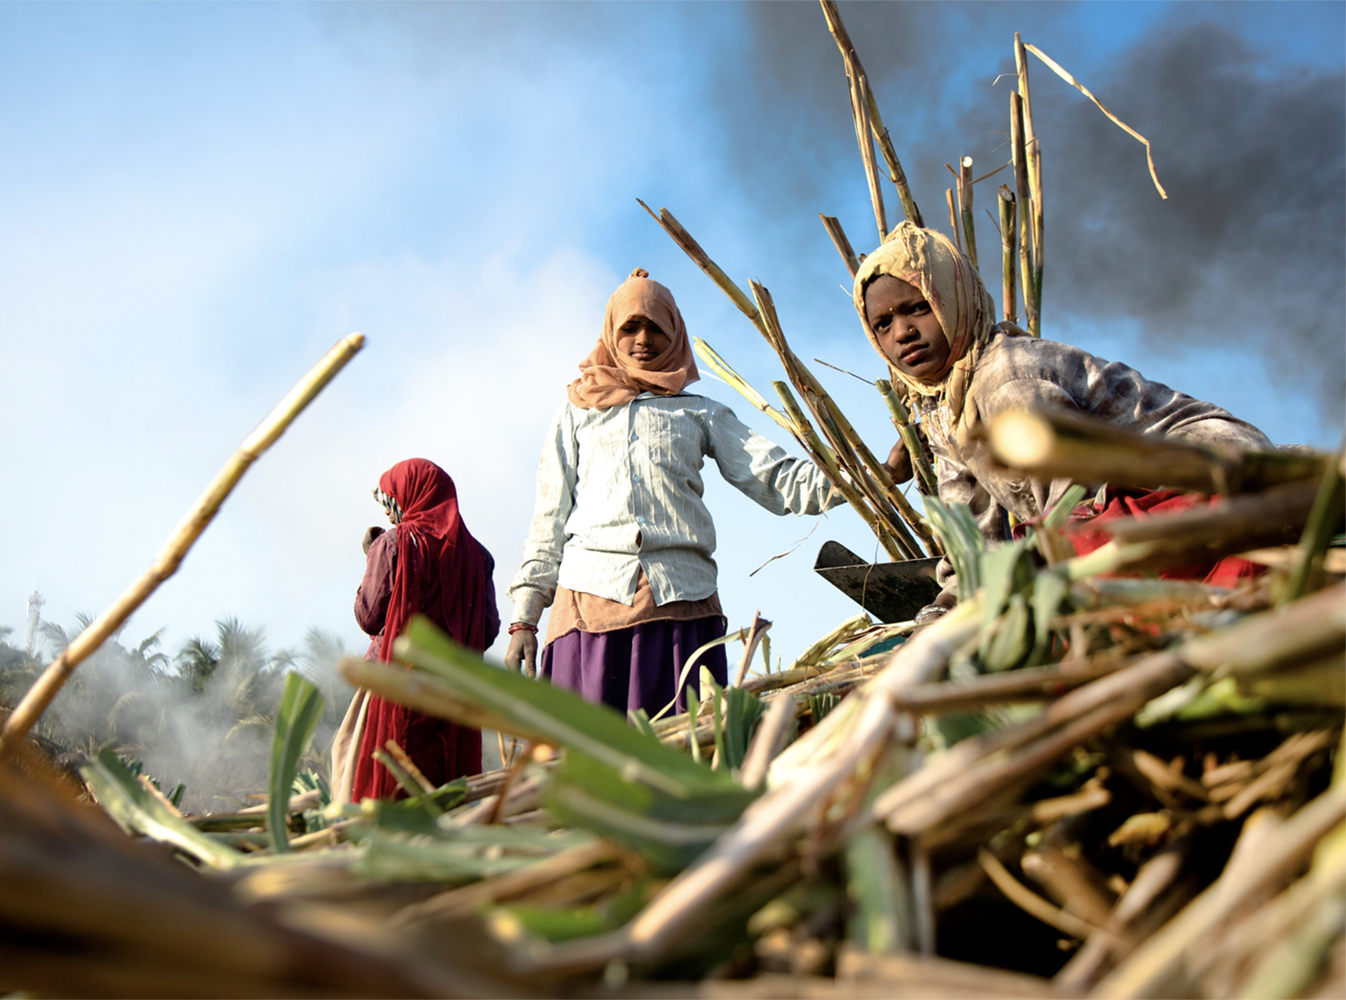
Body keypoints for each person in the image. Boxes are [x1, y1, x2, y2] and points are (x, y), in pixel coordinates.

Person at [854, 222, 1273, 620]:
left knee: (1070, 563)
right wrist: (947, 606)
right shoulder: (944, 408)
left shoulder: (1006, 378)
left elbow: (1074, 503)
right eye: (884, 324)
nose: (902, 332)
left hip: (1209, 477)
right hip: (1107, 515)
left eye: (918, 309)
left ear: (952, 298)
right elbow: (975, 546)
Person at [504, 268, 842, 715]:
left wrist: (861, 476)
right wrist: (525, 618)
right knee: (587, 764)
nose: (643, 339)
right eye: (630, 327)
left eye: (656, 328)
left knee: (679, 756)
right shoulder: (577, 411)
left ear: (675, 334)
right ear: (611, 332)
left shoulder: (700, 414)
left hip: (681, 609)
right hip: (590, 603)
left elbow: (776, 479)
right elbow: (548, 517)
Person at [329, 458, 498, 803]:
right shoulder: (479, 557)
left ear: (409, 498)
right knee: (442, 784)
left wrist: (372, 556)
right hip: (451, 691)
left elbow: (369, 616)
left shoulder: (394, 544)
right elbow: (488, 630)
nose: (391, 515)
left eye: (392, 503)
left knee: (356, 762)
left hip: (393, 684)